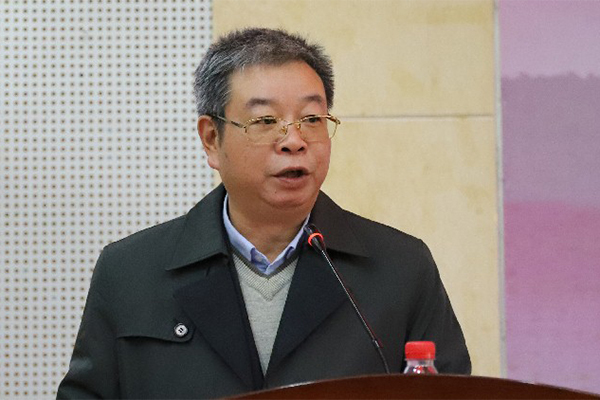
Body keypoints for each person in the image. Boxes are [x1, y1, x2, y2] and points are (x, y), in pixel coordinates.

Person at [57, 28, 470, 399]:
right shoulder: (131, 272)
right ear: (212, 139)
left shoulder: (400, 268)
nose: (294, 140)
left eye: (312, 118)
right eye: (266, 120)